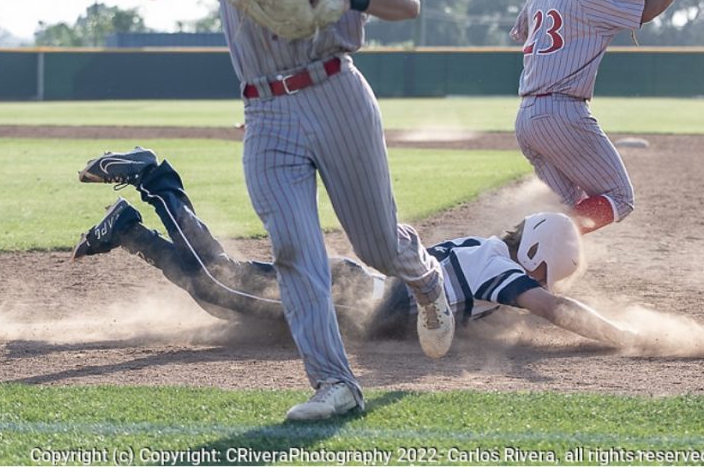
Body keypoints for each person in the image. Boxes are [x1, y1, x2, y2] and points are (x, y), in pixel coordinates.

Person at [129, 0, 453, 421]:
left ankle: (425, 278)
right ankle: (335, 383)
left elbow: (404, 2)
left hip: (334, 92)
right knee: (294, 250)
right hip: (265, 109)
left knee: (377, 245)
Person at [73, 148, 640, 413]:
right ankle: (155, 177)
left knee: (223, 291)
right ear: (534, 256)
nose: (541, 288)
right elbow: (554, 311)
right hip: (349, 297)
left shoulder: (490, 253)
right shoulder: (503, 272)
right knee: (223, 286)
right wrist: (631, 338)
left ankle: (129, 231)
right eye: (543, 274)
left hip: (355, 289)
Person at [510, 0, 704, 234]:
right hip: (562, 114)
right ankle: (537, 244)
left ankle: (522, 260)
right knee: (619, 197)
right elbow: (648, 7)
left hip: (526, 118)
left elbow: (520, 33)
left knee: (568, 206)